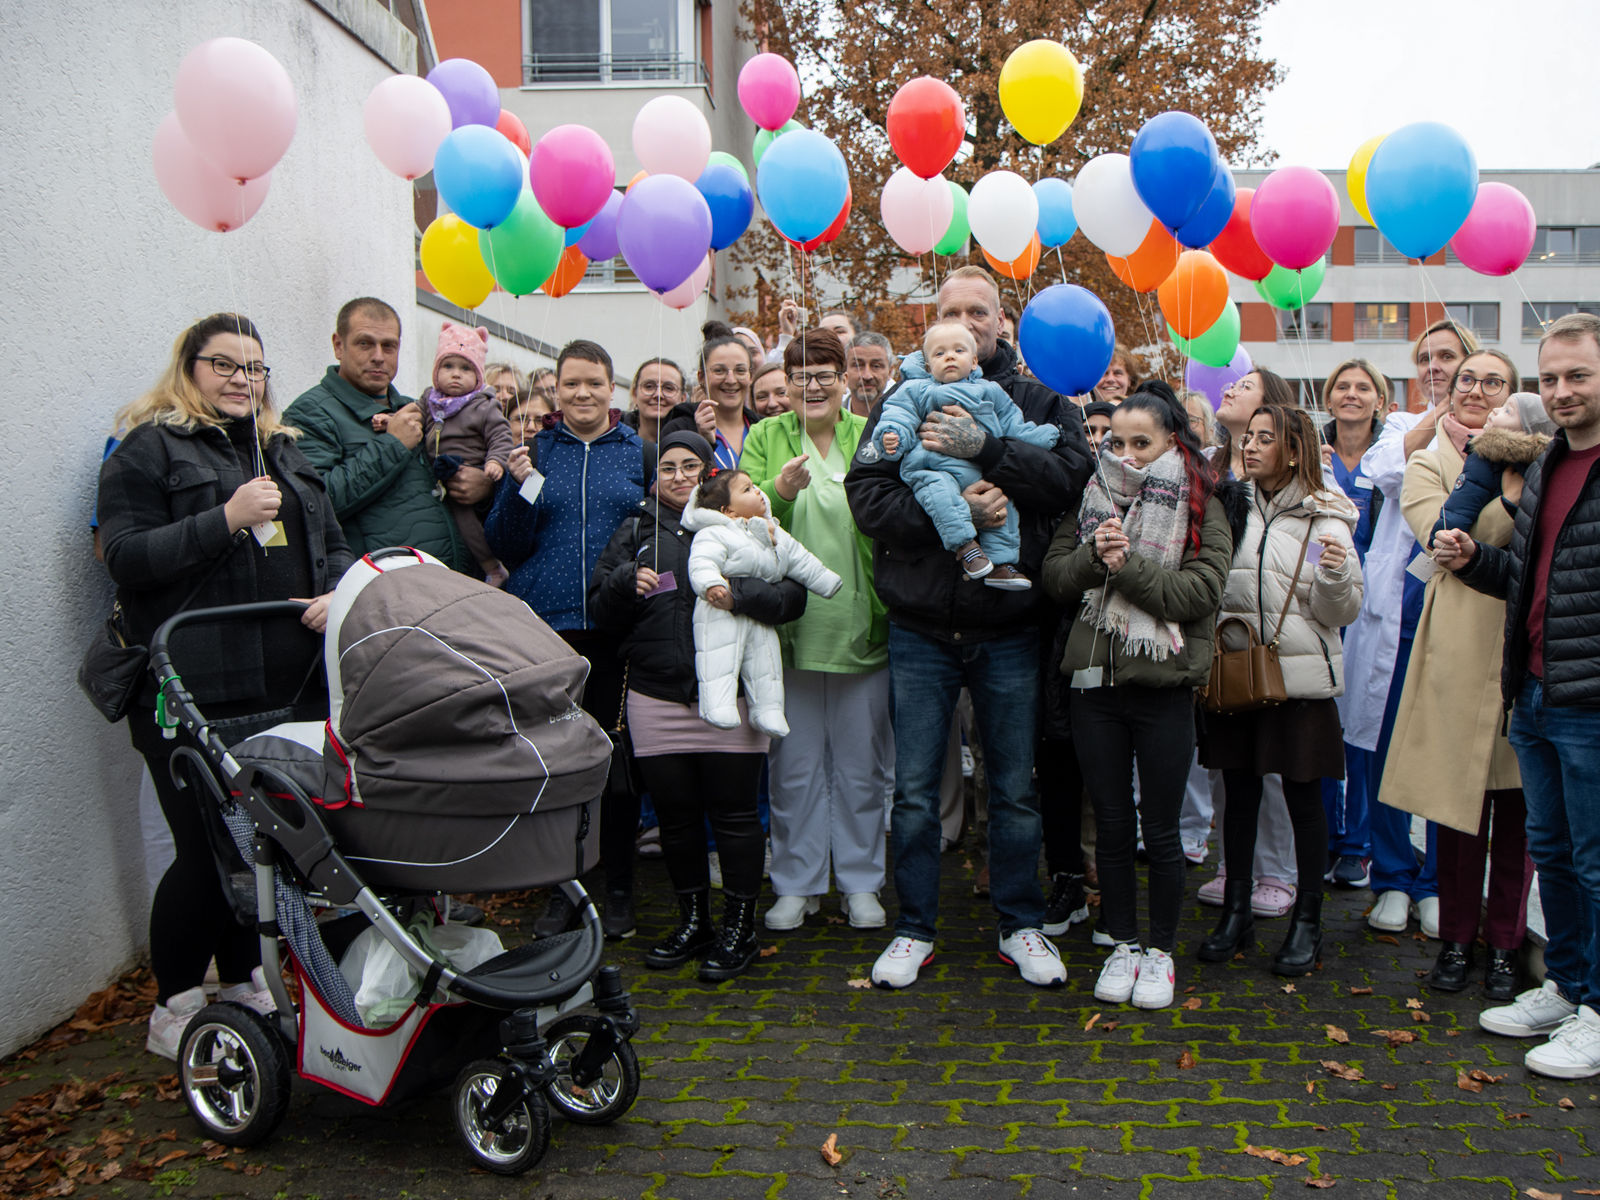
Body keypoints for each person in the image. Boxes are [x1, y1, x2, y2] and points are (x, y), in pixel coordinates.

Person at [98, 313, 352, 1059]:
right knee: (207, 851)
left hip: (289, 684)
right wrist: (225, 517)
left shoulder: (283, 449)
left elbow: (333, 542)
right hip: (192, 690)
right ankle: (175, 1003)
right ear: (189, 368)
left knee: (261, 849)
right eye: (225, 364)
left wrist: (336, 588)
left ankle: (242, 981)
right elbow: (125, 556)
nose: (244, 378)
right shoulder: (148, 450)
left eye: (256, 366)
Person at [846, 265, 1093, 989]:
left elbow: (1068, 480)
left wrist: (986, 451)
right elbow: (867, 496)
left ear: (999, 323)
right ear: (937, 324)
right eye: (952, 310)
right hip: (922, 628)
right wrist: (952, 521)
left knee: (1014, 788)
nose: (967, 321)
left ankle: (1020, 924)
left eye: (978, 311)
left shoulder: (1043, 398)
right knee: (916, 791)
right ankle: (913, 927)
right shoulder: (902, 397)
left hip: (1010, 627)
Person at [1435, 312, 1600, 1079]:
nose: (1562, 393)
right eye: (1552, 378)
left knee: (1595, 863)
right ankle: (1568, 987)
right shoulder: (1544, 465)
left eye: (1579, 377)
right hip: (1533, 692)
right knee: (1557, 857)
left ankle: (1598, 1009)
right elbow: (1529, 585)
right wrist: (1472, 559)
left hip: (1589, 703)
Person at [588, 431, 802, 981]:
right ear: (653, 475)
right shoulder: (636, 529)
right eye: (668, 466)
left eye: (692, 466)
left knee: (734, 817)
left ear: (711, 474)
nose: (680, 475)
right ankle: (694, 920)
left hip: (730, 697)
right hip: (656, 697)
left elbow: (792, 597)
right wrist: (619, 584)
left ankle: (738, 927)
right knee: (677, 821)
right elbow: (600, 610)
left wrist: (739, 593)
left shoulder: (750, 525)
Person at [1042, 389, 1232, 1009]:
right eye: (1115, 442)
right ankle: (1122, 942)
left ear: (1173, 442)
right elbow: (1054, 578)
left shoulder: (1204, 503)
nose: (1124, 454)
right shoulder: (1093, 498)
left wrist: (1124, 569)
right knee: (1114, 825)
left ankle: (1161, 952)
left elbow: (1197, 595)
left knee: (1162, 830)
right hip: (1096, 687)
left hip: (1164, 690)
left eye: (1140, 443)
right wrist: (1096, 559)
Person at [1382, 349, 1536, 1002]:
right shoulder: (1426, 462)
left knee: (1518, 812)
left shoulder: (1544, 458)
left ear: (1512, 393)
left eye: (1492, 381)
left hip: (1518, 644)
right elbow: (1437, 536)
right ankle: (1455, 938)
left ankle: (1504, 945)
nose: (1476, 389)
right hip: (1453, 642)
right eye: (1467, 378)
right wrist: (1489, 472)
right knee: (1455, 811)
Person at [485, 339, 647, 938]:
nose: (583, 393)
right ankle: (563, 889)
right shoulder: (535, 452)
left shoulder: (638, 451)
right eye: (572, 383)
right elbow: (505, 543)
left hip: (616, 630)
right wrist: (523, 485)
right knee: (556, 763)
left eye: (595, 383)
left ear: (613, 389)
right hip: (546, 631)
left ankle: (621, 886)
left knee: (616, 761)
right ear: (555, 387)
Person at [1199, 404, 1362, 976]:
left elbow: (1340, 611)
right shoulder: (1230, 505)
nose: (1251, 446)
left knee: (1302, 800)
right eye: (1249, 436)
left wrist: (1339, 575)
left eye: (1265, 439)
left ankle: (1308, 923)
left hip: (1301, 682)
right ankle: (1237, 912)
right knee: (1238, 798)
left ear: (1294, 450)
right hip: (1237, 674)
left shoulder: (1328, 517)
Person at [741, 327, 893, 932]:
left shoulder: (869, 437)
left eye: (825, 373)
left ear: (845, 379)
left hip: (860, 624)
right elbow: (738, 514)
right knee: (794, 766)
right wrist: (777, 492)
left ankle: (860, 882)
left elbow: (890, 512)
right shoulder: (765, 436)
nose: (812, 386)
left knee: (861, 767)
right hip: (789, 631)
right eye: (800, 375)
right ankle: (796, 883)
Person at [1343, 317, 1480, 939]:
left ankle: (1437, 885)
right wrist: (1438, 416)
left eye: (1449, 357)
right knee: (1387, 742)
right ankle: (1394, 875)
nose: (1436, 366)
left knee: (1449, 748)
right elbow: (1387, 474)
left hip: (1468, 607)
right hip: (1396, 608)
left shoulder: (1509, 423)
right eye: (1425, 357)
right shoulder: (1400, 426)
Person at [1195, 365, 1303, 920]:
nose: (1231, 388)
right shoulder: (1210, 466)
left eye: (1247, 385)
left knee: (1272, 763)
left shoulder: (1289, 472)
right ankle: (1230, 865)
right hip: (1214, 632)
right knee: (1224, 760)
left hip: (1269, 633)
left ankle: (1278, 871)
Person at [869, 321, 1059, 588]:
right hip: (930, 465)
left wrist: (1039, 436)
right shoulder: (916, 389)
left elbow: (1012, 424)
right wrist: (893, 434)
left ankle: (1001, 565)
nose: (949, 356)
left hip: (977, 470)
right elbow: (899, 413)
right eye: (939, 353)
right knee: (939, 494)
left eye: (958, 350)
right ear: (927, 365)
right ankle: (966, 547)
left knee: (1002, 506)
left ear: (973, 362)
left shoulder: (990, 390)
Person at [285, 297, 467, 570]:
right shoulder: (309, 412)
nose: (378, 356)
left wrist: (477, 484)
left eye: (389, 346)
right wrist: (393, 444)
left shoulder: (414, 406)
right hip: (381, 587)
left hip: (446, 575)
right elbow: (315, 503)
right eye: (364, 343)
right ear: (338, 345)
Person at [682, 469, 842, 736]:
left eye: (754, 486)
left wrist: (825, 580)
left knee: (766, 663)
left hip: (760, 613)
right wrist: (711, 583)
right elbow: (702, 561)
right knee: (719, 658)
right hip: (720, 609)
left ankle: (768, 710)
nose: (757, 491)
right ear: (729, 511)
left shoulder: (772, 531)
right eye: (746, 490)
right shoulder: (715, 533)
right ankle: (717, 704)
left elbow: (800, 559)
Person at [1318, 360, 1388, 889]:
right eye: (1343, 386)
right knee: (1322, 724)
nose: (1351, 394)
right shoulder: (1309, 450)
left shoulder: (1393, 456)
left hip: (1377, 606)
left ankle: (1357, 844)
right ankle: (1322, 834)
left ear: (1379, 401)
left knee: (1363, 725)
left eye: (1363, 387)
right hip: (1321, 601)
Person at [380, 322, 512, 587]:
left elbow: (501, 437)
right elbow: (412, 415)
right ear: (436, 370)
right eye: (448, 366)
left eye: (465, 369)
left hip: (467, 469)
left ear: (478, 375)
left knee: (467, 523)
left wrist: (495, 462)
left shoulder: (484, 405)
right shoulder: (430, 399)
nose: (456, 375)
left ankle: (493, 567)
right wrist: (389, 420)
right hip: (437, 472)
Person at [664, 330, 756, 470]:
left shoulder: (764, 429)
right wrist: (703, 441)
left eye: (740, 370)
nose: (731, 380)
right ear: (701, 377)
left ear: (751, 376)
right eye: (719, 371)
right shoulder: (678, 429)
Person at [626, 357, 686, 445]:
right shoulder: (614, 440)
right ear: (634, 394)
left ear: (682, 399)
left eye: (668, 388)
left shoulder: (693, 444)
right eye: (649, 386)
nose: (658, 395)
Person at [847, 332, 897, 417]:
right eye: (858, 365)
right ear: (844, 371)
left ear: (890, 372)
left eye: (876, 366)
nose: (867, 376)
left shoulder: (906, 419)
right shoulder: (829, 420)